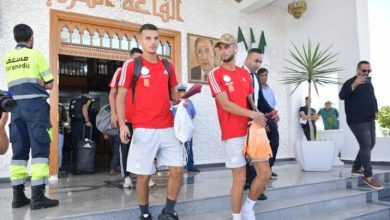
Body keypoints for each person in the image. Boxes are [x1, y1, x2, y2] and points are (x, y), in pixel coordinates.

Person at [116, 23, 183, 220]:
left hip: (167, 127)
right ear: (140, 41)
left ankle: (169, 211)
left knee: (178, 171)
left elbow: (173, 95)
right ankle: (144, 214)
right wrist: (121, 124)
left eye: (156, 38)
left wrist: (182, 98)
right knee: (144, 176)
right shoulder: (132, 65)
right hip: (143, 128)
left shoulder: (167, 66)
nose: (153, 42)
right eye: (148, 38)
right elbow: (120, 96)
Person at [208, 33, 271, 220]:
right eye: (220, 47)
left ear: (236, 48)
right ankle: (237, 217)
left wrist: (259, 117)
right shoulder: (215, 74)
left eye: (227, 46)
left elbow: (249, 99)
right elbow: (225, 104)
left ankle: (248, 208)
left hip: (252, 131)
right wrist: (253, 114)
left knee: (265, 173)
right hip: (232, 132)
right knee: (240, 178)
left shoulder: (246, 74)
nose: (223, 50)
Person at [3, 24, 58, 209]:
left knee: (19, 152)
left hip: (15, 108)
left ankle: (18, 197)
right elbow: (50, 84)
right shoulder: (35, 55)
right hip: (35, 107)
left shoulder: (8, 58)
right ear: (31, 38)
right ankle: (38, 197)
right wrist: (43, 82)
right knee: (40, 150)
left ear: (15, 38)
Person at [339, 60, 383, 190]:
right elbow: (342, 96)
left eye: (369, 71)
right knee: (366, 145)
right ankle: (368, 175)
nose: (366, 73)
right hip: (357, 120)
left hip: (369, 119)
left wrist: (375, 110)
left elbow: (373, 97)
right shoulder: (350, 82)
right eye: (364, 70)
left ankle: (356, 168)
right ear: (357, 70)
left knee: (371, 143)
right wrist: (354, 85)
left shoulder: (369, 84)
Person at [242, 49, 275, 201]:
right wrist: (252, 116)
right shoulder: (239, 74)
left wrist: (272, 111)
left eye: (260, 62)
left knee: (274, 140)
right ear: (247, 59)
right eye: (256, 61)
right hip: (246, 118)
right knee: (252, 152)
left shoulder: (254, 76)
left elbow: (259, 98)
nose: (258, 64)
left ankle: (259, 178)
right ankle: (253, 182)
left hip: (258, 116)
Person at [108, 47, 143, 187]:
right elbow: (112, 94)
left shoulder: (142, 72)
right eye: (135, 59)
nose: (137, 62)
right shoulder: (120, 71)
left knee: (142, 147)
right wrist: (114, 114)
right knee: (125, 147)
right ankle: (126, 177)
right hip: (125, 118)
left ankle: (144, 175)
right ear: (129, 58)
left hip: (140, 119)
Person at [171, 83, 199, 172]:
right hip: (177, 129)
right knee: (176, 147)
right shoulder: (174, 103)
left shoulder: (190, 102)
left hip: (187, 129)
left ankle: (190, 166)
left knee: (189, 148)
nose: (182, 93)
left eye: (183, 91)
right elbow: (171, 115)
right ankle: (176, 165)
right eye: (180, 91)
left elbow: (193, 114)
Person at [258, 68, 280, 178]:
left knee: (274, 143)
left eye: (266, 75)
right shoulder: (257, 90)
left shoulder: (270, 90)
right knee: (263, 146)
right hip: (262, 119)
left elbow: (273, 105)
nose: (264, 77)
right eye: (262, 75)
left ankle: (269, 167)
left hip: (272, 119)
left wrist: (276, 114)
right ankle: (263, 170)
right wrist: (263, 122)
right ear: (258, 77)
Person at [58, 103, 67, 169]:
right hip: (60, 133)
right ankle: (59, 166)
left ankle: (56, 166)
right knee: (59, 150)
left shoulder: (54, 115)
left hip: (55, 133)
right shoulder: (63, 117)